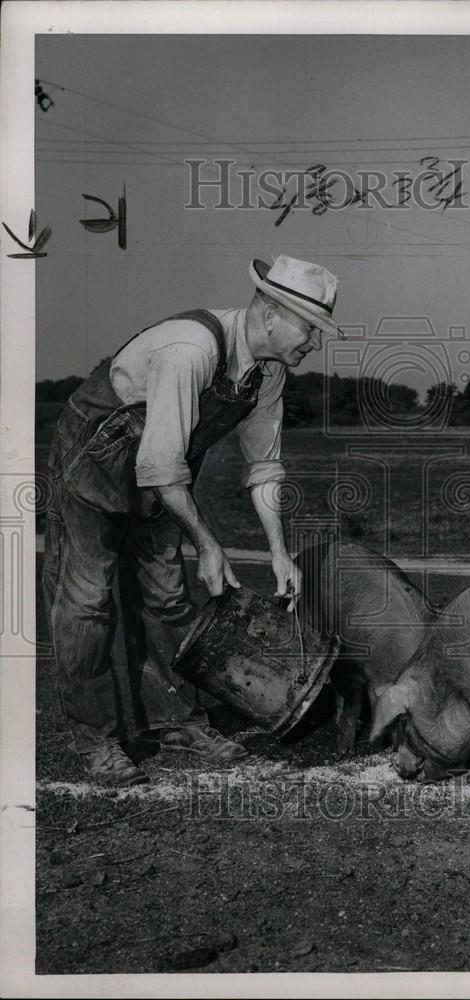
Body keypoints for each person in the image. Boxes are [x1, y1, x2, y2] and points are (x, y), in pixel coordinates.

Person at [42, 254, 342, 786]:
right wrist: (207, 543)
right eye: (310, 327)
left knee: (167, 597)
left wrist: (278, 552)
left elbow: (265, 467)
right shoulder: (192, 349)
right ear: (270, 312)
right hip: (95, 456)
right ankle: (97, 740)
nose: (314, 342)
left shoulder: (267, 373)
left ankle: (176, 722)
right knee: (87, 601)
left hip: (163, 473)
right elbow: (158, 464)